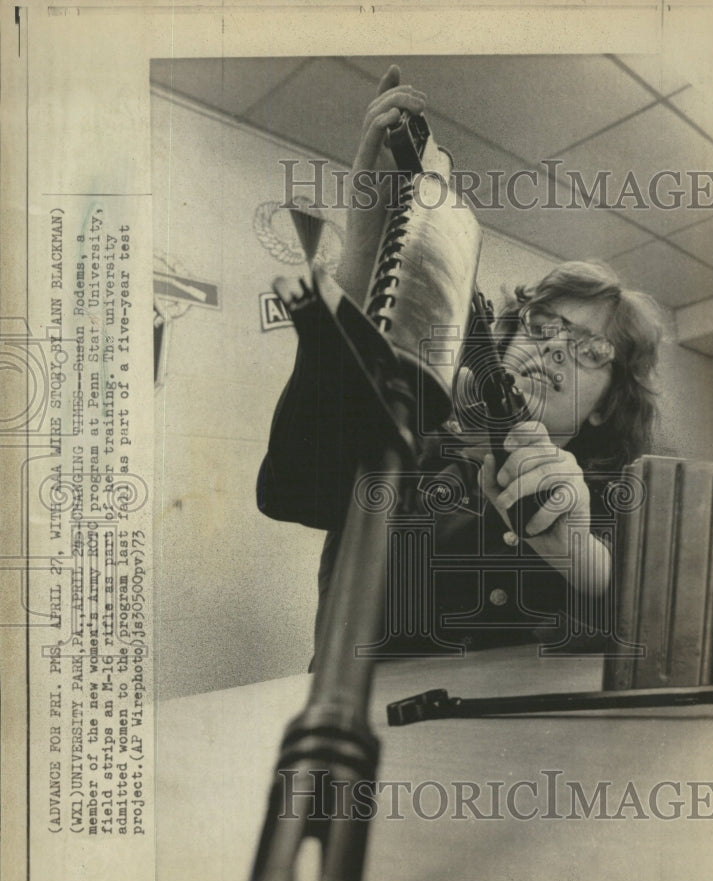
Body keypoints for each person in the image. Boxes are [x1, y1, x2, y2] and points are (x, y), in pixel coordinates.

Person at [258, 65, 668, 658]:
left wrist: (587, 565)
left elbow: (666, 650)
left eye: (593, 350)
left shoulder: (619, 510)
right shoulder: (402, 434)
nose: (556, 347)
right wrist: (363, 259)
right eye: (544, 325)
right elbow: (292, 489)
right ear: (502, 340)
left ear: (608, 407)